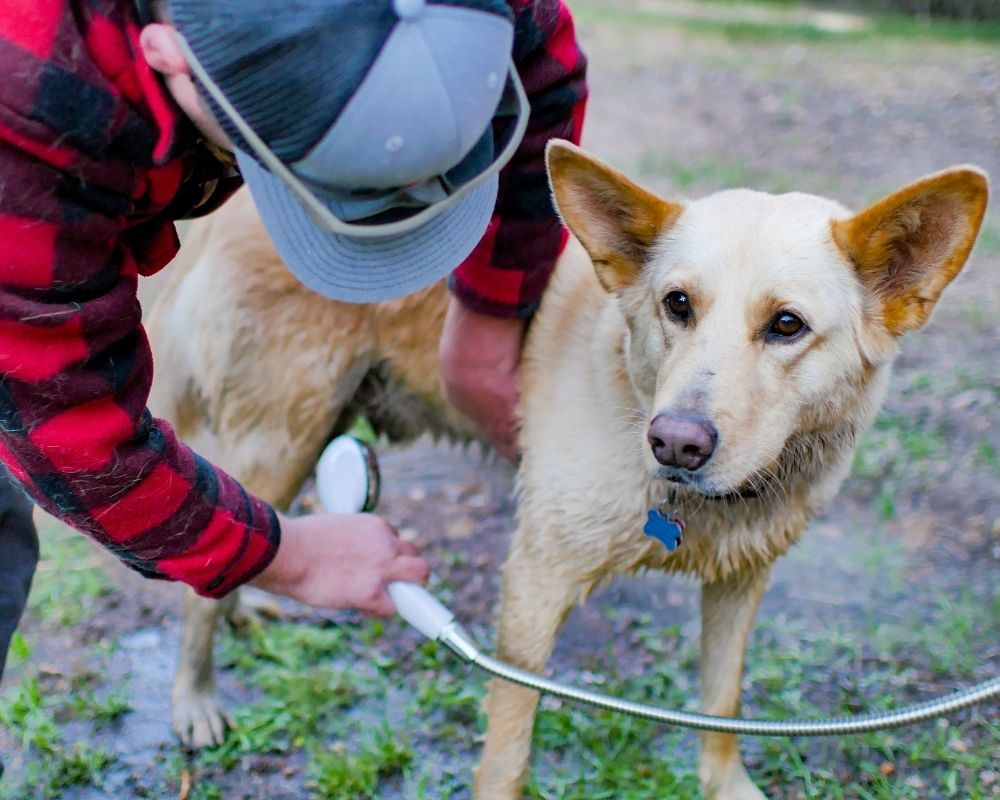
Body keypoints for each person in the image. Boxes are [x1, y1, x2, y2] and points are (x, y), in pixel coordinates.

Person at [0, 0, 587, 715]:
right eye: (306, 182)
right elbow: (74, 436)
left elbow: (544, 54)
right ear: (169, 55)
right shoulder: (26, 111)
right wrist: (293, 557)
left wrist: (493, 311)